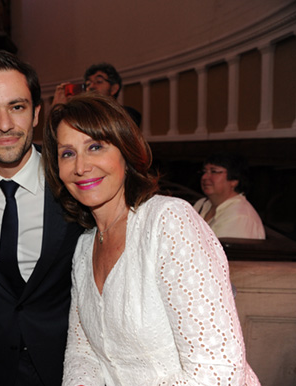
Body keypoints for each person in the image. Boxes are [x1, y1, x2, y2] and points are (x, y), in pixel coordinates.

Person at [42, 93, 260, 385]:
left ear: (125, 152)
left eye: (95, 147)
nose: (80, 166)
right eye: (67, 153)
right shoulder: (84, 247)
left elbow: (218, 372)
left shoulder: (170, 222)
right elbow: (83, 353)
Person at [0, 50, 84, 386]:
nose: (4, 125)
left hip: (66, 370)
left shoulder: (76, 183)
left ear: (36, 113)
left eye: (17, 107)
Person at [194, 153, 265, 239]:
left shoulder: (240, 217)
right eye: (204, 172)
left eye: (214, 172)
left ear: (234, 180)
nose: (204, 177)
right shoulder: (202, 203)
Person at [53, 62, 142, 127]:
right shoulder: (81, 116)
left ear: (114, 89)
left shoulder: (128, 114)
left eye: (99, 82)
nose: (91, 86)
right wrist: (58, 107)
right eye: (88, 84)